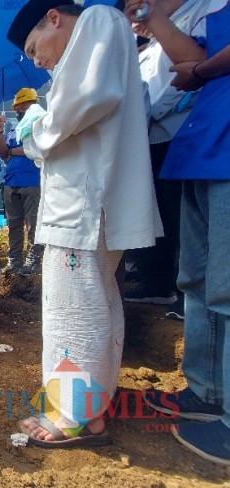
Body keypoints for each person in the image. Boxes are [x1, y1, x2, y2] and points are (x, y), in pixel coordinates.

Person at [8, 0, 162, 447]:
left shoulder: (98, 19)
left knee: (70, 314)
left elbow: (87, 99)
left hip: (79, 205)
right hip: (87, 202)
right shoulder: (103, 35)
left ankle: (73, 413)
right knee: (98, 305)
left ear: (54, 16)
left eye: (36, 47)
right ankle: (92, 409)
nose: (37, 60)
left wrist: (37, 128)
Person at [125, 0, 230, 466]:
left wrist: (204, 68)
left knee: (227, 284)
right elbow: (185, 62)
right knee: (199, 277)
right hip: (203, 145)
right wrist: (154, 18)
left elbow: (194, 68)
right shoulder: (207, 16)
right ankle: (206, 391)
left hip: (222, 144)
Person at [123, 0, 210, 320]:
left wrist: (146, 115)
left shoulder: (195, 21)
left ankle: (184, 292)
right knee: (160, 216)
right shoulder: (151, 48)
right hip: (152, 140)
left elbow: (179, 85)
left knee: (180, 216)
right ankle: (157, 282)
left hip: (176, 137)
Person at [0, 88, 43, 276]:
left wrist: (13, 151)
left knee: (33, 223)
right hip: (11, 181)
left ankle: (34, 259)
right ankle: (15, 259)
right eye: (17, 107)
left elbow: (37, 149)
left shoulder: (40, 123)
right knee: (14, 224)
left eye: (22, 106)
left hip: (33, 181)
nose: (18, 110)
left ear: (33, 104)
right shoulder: (14, 130)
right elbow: (4, 153)